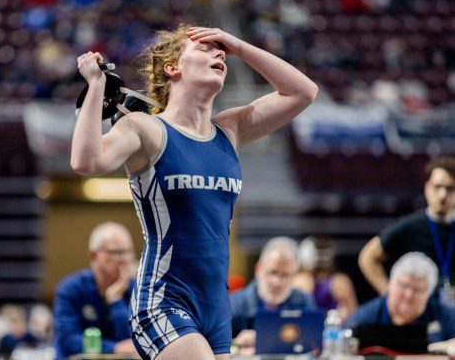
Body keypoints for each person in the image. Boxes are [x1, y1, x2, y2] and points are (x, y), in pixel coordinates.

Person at [71, 25, 318, 359]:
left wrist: (239, 46)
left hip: (216, 308)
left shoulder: (229, 130)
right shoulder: (146, 129)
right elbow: (86, 162)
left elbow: (303, 92)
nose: (219, 54)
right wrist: (95, 87)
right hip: (164, 299)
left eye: (221, 51)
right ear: (173, 67)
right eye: (205, 49)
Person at [359, 156, 455, 306]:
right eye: (437, 187)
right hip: (419, 315)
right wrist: (390, 294)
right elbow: (367, 257)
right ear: (427, 188)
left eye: (450, 188)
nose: (442, 195)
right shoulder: (409, 226)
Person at [53, 222, 138, 359]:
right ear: (93, 254)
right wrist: (115, 348)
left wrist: (115, 300)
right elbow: (68, 341)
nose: (125, 259)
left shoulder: (136, 290)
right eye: (117, 252)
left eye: (129, 252)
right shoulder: (71, 288)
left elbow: (133, 343)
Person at [345, 252, 455, 349]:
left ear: (428, 293)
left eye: (417, 290)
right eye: (403, 286)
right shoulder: (366, 316)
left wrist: (436, 348)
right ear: (390, 284)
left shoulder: (444, 316)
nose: (408, 295)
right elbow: (340, 343)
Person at [230, 237, 314, 355]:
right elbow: (211, 350)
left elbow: (314, 346)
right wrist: (237, 345)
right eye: (273, 272)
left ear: (294, 275)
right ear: (258, 269)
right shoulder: (233, 305)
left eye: (285, 275)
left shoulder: (304, 302)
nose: (277, 282)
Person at [294, 236, 357, 321]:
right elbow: (355, 317)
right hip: (322, 328)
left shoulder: (340, 282)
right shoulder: (302, 280)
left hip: (330, 329)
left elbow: (353, 316)